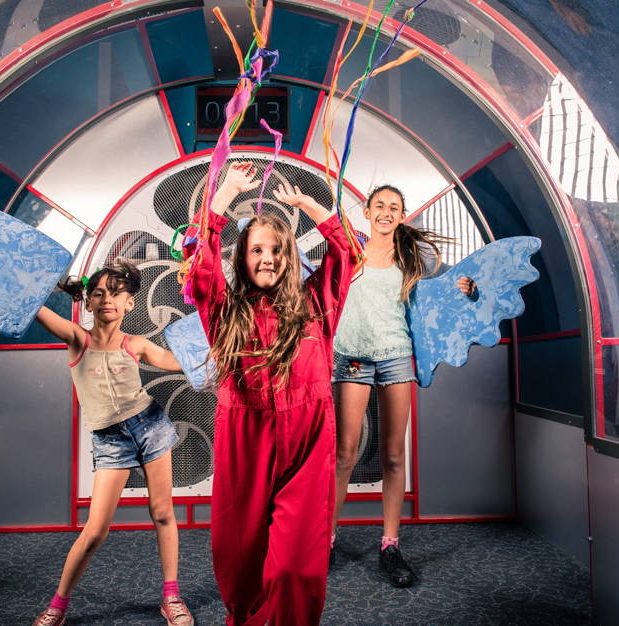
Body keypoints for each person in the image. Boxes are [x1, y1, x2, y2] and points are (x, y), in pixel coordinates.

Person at [0, 243, 194, 626]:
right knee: (94, 532)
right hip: (111, 441)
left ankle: (171, 598)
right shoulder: (77, 338)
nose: (107, 298)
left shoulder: (135, 344)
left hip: (151, 426)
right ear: (88, 303)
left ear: (130, 305)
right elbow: (29, 302)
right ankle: (58, 606)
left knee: (162, 512)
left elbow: (179, 361)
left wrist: (219, 335)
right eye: (99, 292)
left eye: (116, 293)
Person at [186, 162, 357, 625]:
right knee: (239, 560)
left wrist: (308, 206)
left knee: (293, 568)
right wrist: (223, 196)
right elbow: (198, 267)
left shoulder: (317, 302)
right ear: (242, 257)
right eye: (257, 249)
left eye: (278, 249)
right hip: (246, 437)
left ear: (291, 256)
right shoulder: (225, 311)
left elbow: (345, 254)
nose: (268, 258)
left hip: (308, 438)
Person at [330, 184, 475, 588]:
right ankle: (325, 539)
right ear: (367, 213)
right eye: (380, 206)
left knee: (393, 455)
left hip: (396, 356)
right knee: (345, 453)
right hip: (353, 356)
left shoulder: (412, 258)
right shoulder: (350, 251)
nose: (386, 212)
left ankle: (389, 546)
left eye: (394, 207)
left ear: (401, 214)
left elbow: (441, 293)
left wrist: (462, 287)